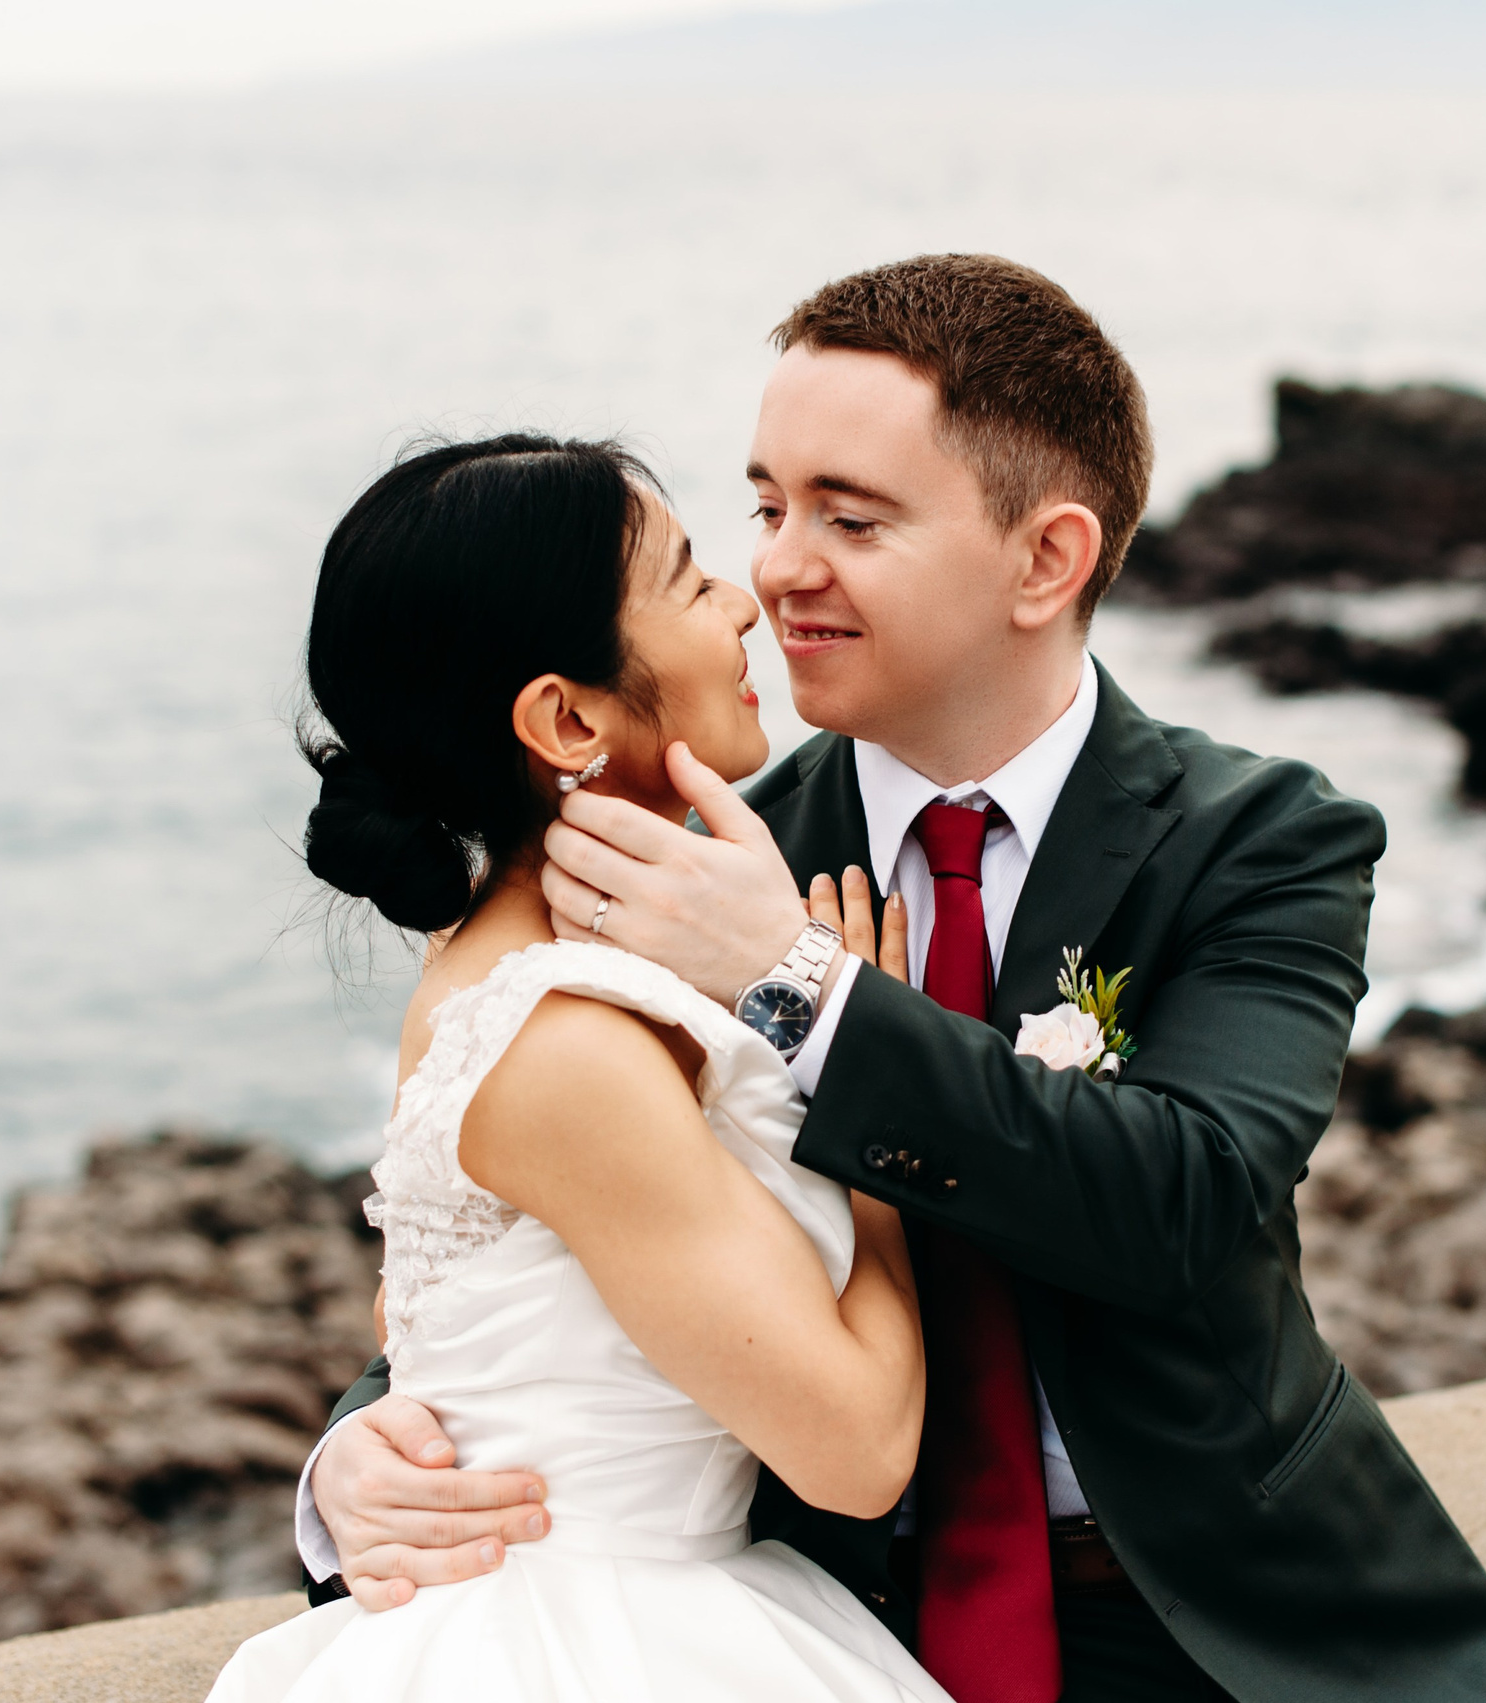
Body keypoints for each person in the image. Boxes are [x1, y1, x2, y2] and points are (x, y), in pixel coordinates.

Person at [302, 259, 1486, 1703]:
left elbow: (1183, 1199)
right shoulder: (678, 864)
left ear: (1045, 560)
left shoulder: (1260, 836)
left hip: (1213, 1610)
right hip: (835, 1610)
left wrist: (805, 988)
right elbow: (543, 1213)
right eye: (767, 508)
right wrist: (361, 1453)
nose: (775, 570)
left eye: (851, 516)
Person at [206, 434, 953, 1702]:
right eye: (688, 578)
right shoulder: (565, 1042)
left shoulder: (534, 962)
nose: (745, 600)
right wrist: (865, 1080)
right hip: (596, 1639)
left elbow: (454, 1322)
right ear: (567, 717)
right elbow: (860, 1447)